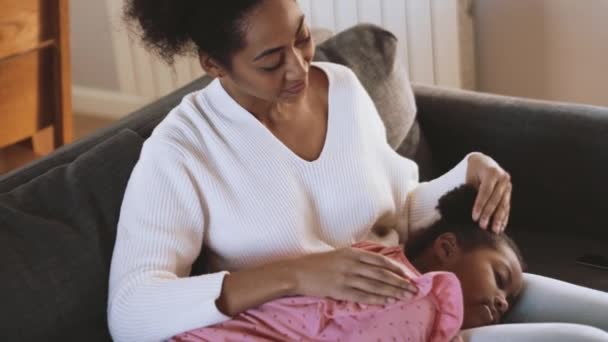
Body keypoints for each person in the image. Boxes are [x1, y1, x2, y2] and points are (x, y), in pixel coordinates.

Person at [108, 1, 608, 341]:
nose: (300, 68)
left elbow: (399, 208)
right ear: (214, 63)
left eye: (301, 38)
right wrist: (297, 276)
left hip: (421, 287)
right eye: (270, 61)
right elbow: (131, 309)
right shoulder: (181, 150)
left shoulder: (341, 87)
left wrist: (466, 174)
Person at [169, 185, 524, 342]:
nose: (504, 302)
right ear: (446, 247)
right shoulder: (412, 298)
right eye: (499, 277)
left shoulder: (381, 258)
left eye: (508, 298)